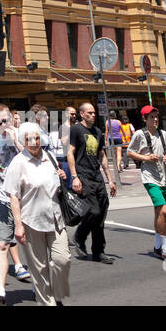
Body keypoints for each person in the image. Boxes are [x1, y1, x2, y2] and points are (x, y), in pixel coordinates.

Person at [6, 122, 71, 306]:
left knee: (62, 259)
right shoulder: (18, 162)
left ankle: (56, 292)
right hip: (31, 221)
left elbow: (55, 185)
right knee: (39, 268)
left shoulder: (49, 156)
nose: (34, 142)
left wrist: (61, 176)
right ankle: (47, 302)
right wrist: (18, 225)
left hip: (55, 218)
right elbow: (13, 196)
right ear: (23, 142)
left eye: (36, 138)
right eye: (29, 139)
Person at [0, 103, 33, 305]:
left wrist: (16, 141)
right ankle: (1, 291)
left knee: (31, 245)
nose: (4, 125)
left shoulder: (23, 134)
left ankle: (40, 286)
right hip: (3, 198)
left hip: (27, 198)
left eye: (7, 120)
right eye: (0, 122)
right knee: (2, 243)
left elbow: (33, 158)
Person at [68, 102, 117, 264]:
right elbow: (70, 152)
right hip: (83, 176)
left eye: (94, 112)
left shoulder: (97, 131)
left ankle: (98, 251)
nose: (93, 115)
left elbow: (102, 156)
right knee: (93, 211)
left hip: (97, 177)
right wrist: (74, 176)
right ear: (82, 114)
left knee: (101, 214)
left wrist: (110, 180)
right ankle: (80, 236)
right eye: (89, 113)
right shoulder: (76, 129)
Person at [127, 104, 166, 261]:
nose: (155, 119)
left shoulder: (163, 134)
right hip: (149, 178)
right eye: (151, 117)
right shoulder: (140, 135)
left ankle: (157, 246)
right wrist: (146, 158)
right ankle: (165, 245)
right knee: (164, 211)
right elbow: (129, 152)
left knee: (160, 214)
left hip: (163, 178)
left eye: (156, 117)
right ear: (144, 119)